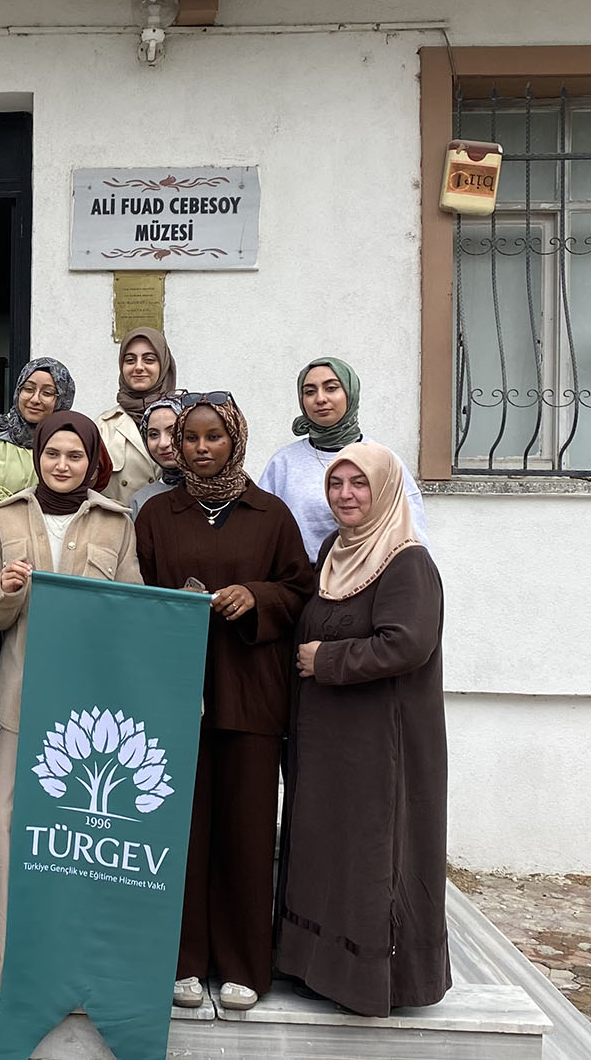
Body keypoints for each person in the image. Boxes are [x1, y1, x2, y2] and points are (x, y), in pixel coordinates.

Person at [133, 392, 314, 1013]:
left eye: (214, 437)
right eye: (191, 439)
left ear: (234, 440)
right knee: (181, 831)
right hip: (179, 696)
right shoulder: (158, 514)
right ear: (176, 447)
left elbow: (300, 589)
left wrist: (255, 597)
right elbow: (138, 595)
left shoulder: (272, 515)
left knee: (245, 831)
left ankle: (243, 964)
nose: (202, 448)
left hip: (251, 696)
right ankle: (182, 960)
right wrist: (174, 602)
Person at [0, 411, 139, 1016]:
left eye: (74, 455)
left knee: (80, 840)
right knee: (8, 835)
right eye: (52, 454)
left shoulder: (117, 524)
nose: (62, 465)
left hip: (90, 713)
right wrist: (6, 592)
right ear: (38, 454)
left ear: (91, 460)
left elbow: (130, 610)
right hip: (21, 701)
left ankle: (72, 973)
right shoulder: (4, 518)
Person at [278, 443, 449, 1018]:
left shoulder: (407, 562)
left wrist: (325, 661)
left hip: (382, 744)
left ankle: (371, 980)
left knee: (372, 858)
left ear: (386, 490)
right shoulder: (332, 550)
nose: (345, 496)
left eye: (359, 484)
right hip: (328, 740)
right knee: (326, 850)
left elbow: (408, 643)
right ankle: (318, 967)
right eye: (335, 484)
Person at [257, 357, 431, 562]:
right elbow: (261, 532)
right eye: (310, 391)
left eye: (331, 388)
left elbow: (413, 536)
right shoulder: (283, 463)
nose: (320, 399)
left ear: (350, 392)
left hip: (366, 582)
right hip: (299, 586)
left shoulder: (383, 461)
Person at [0, 357, 73, 531]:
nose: (35, 399)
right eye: (28, 389)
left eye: (47, 393)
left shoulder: (68, 443)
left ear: (62, 399)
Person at [96, 328, 176, 508]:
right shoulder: (103, 426)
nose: (139, 367)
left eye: (149, 359)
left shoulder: (186, 418)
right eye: (130, 360)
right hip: (121, 530)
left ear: (164, 365)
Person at [128, 393, 186, 518]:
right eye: (153, 434)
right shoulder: (140, 501)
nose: (163, 443)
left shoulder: (220, 491)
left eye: (173, 432)